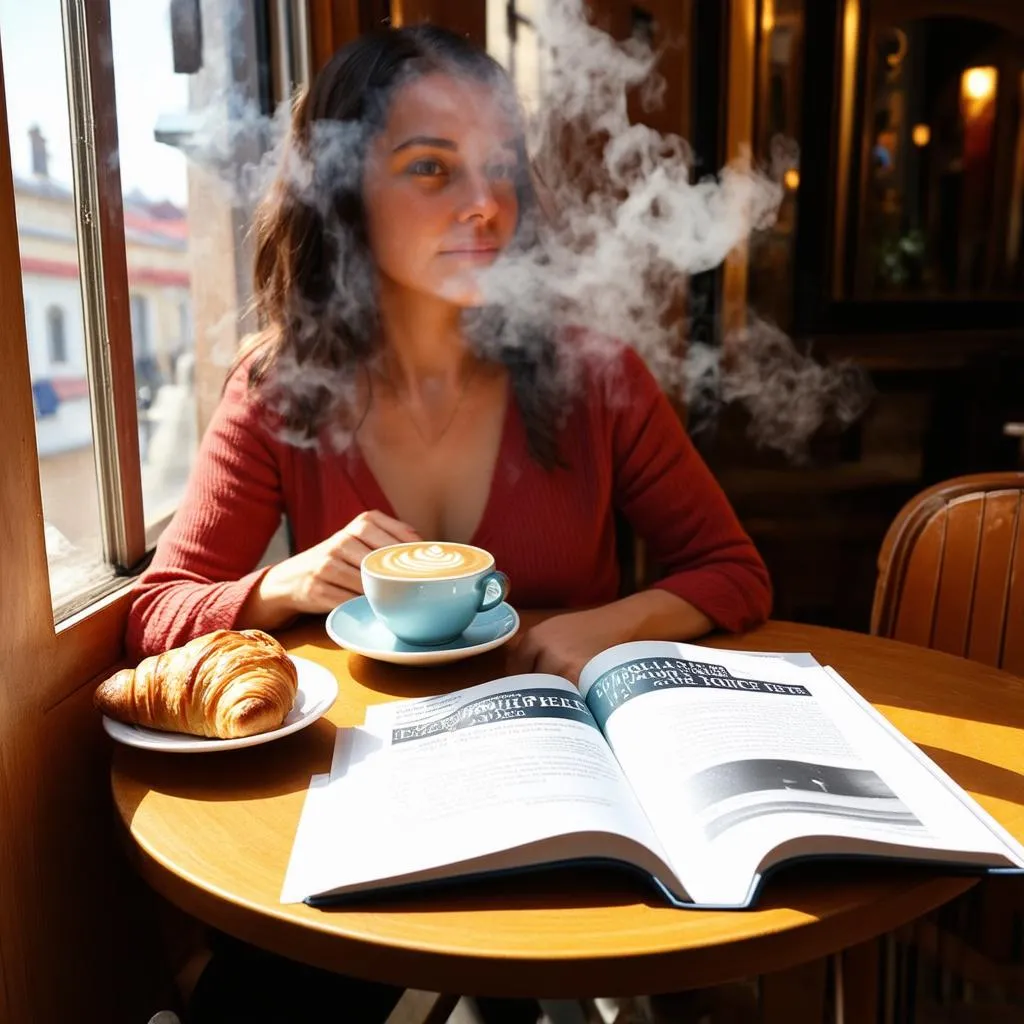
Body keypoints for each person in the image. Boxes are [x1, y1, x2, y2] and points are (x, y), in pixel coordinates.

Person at [126, 23, 772, 1023]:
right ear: (342, 190)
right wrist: (282, 585)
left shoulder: (595, 375)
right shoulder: (279, 390)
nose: (485, 205)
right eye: (430, 167)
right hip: (378, 802)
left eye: (500, 168)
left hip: (575, 789)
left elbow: (732, 570)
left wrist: (603, 626)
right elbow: (157, 613)